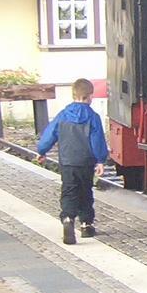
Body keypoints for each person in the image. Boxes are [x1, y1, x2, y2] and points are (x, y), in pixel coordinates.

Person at [36, 78, 109, 244]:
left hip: (68, 162)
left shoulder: (62, 115)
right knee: (85, 192)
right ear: (90, 96)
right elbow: (97, 141)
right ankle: (86, 225)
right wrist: (100, 160)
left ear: (73, 95)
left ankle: (68, 219)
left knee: (69, 191)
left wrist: (42, 151)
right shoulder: (93, 117)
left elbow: (49, 135)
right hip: (85, 162)